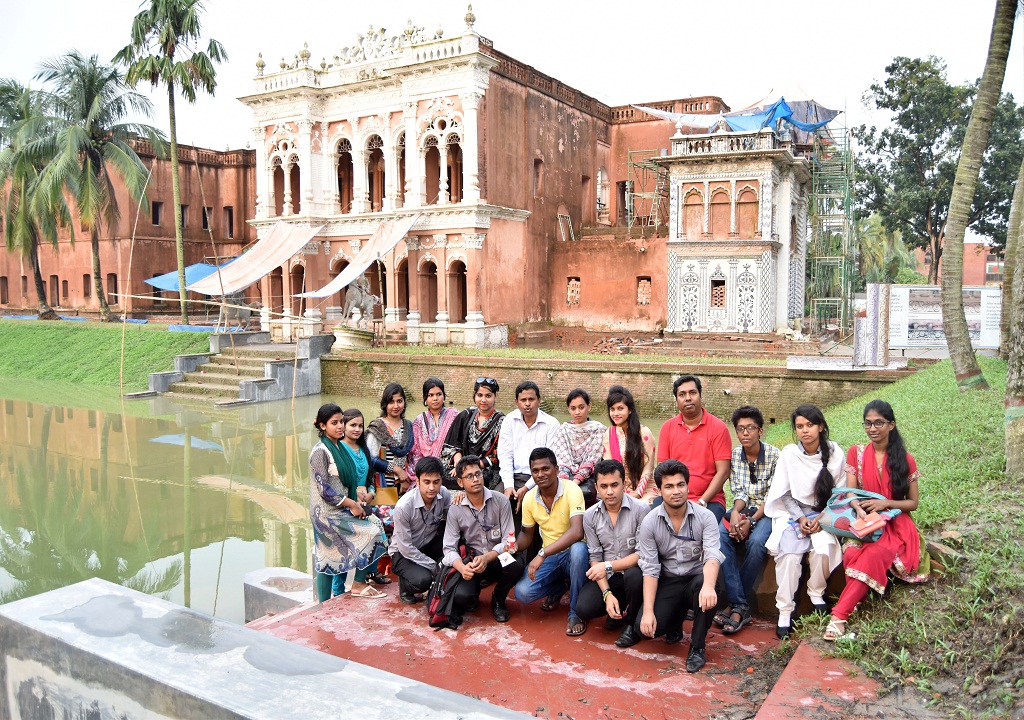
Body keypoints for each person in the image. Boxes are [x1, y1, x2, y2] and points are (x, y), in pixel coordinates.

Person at [825, 400, 928, 641]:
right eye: (868, 424)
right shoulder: (856, 452)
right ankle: (856, 601)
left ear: (891, 425)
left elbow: (913, 503)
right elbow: (850, 493)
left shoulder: (906, 459)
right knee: (851, 554)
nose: (873, 429)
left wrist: (886, 504)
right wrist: (858, 508)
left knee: (874, 554)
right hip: (864, 520)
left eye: (879, 423)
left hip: (895, 521)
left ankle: (838, 618)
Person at [629, 459, 724, 674]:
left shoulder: (706, 517)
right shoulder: (650, 522)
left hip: (696, 579)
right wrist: (649, 612)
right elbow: (651, 568)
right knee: (645, 629)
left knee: (708, 587)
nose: (676, 491)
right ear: (659, 490)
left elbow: (712, 555)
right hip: (668, 579)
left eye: (681, 485)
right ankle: (675, 619)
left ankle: (697, 647)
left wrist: (709, 587)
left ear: (688, 486)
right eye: (669, 486)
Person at [762, 404, 845, 638]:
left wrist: (822, 518)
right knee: (788, 556)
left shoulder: (836, 454)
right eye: (800, 426)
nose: (805, 430)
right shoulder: (790, 454)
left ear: (820, 427)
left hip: (824, 514)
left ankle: (815, 593)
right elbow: (785, 494)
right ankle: (784, 612)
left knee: (824, 548)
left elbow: (839, 493)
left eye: (810, 425)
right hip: (793, 515)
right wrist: (800, 518)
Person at [309, 404, 389, 601]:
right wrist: (352, 504)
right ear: (322, 425)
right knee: (328, 557)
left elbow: (353, 479)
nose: (339, 427)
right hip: (326, 513)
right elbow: (324, 489)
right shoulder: (321, 451)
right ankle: (325, 602)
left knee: (376, 526)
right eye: (334, 423)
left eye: (340, 422)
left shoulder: (339, 447)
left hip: (342, 507)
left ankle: (358, 583)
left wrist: (358, 502)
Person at [715, 406, 781, 635]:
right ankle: (741, 605)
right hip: (744, 509)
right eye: (740, 429)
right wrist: (735, 513)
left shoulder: (775, 455)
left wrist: (751, 521)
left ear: (760, 430)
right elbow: (740, 491)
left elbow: (773, 497)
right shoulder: (735, 455)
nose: (745, 433)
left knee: (756, 544)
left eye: (750, 428)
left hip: (768, 512)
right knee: (721, 536)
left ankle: (736, 605)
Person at [513, 447, 590, 636]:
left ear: (556, 468)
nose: (541, 474)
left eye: (545, 469)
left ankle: (576, 613)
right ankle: (560, 587)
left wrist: (543, 553)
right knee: (522, 593)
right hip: (551, 556)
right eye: (535, 471)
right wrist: (513, 546)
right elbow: (526, 534)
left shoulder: (572, 490)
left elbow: (577, 532)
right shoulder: (530, 498)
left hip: (575, 555)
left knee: (579, 550)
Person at [575, 459, 650, 648]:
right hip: (608, 576)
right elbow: (595, 557)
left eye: (614, 485)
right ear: (596, 488)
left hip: (634, 574)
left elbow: (642, 554)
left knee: (634, 576)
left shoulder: (641, 510)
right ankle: (616, 608)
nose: (609, 491)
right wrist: (607, 593)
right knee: (584, 608)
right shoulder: (590, 515)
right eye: (604, 486)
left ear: (623, 484)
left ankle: (631, 623)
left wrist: (607, 566)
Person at [443, 455, 524, 625]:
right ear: (460, 483)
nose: (475, 479)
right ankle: (473, 592)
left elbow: (510, 543)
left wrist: (488, 557)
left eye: (478, 474)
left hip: (495, 559)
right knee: (462, 598)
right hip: (472, 562)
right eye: (469, 476)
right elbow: (448, 549)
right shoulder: (456, 509)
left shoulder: (500, 500)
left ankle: (498, 598)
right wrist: (462, 567)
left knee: (516, 563)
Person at [657, 375, 732, 522]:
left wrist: (702, 502)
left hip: (710, 500)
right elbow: (662, 470)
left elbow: (723, 472)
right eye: (682, 395)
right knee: (653, 522)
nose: (688, 398)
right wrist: (673, 498)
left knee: (699, 527)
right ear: (677, 401)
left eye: (692, 393)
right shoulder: (667, 428)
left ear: (700, 395)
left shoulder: (718, 428)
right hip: (674, 497)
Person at [389, 456, 453, 604]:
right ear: (417, 482)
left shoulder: (443, 494)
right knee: (422, 580)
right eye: (426, 482)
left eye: (436, 482)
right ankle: (405, 585)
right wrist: (434, 566)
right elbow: (405, 547)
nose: (432, 488)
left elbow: (453, 519)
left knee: (456, 533)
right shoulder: (403, 506)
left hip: (428, 544)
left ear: (441, 481)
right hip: (403, 552)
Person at [498, 381, 558, 507]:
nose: (527, 404)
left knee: (533, 500)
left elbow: (550, 461)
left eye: (531, 399)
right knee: (497, 500)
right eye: (523, 400)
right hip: (513, 476)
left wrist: (526, 487)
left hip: (541, 478)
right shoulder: (509, 421)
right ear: (516, 402)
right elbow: (505, 455)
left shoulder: (551, 424)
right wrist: (508, 485)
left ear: (539, 400)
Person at [441, 377, 504, 491]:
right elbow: (452, 444)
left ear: (495, 396)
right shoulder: (466, 415)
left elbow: (499, 455)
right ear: (475, 395)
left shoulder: (502, 421)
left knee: (480, 479)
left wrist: (473, 467)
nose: (483, 400)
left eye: (488, 396)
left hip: (485, 469)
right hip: (461, 466)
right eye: (480, 395)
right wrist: (459, 463)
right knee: (443, 477)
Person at [550, 388, 606, 507]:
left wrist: (575, 482)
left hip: (589, 476)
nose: (577, 412)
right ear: (568, 409)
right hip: (565, 476)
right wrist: (565, 481)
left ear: (589, 406)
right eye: (573, 408)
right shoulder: (564, 430)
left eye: (581, 407)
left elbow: (593, 459)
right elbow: (561, 458)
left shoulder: (599, 430)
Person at [603, 385, 657, 501]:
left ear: (630, 409)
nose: (615, 413)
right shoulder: (609, 433)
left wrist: (637, 494)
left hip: (645, 488)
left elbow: (649, 468)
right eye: (612, 409)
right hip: (618, 487)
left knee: (642, 508)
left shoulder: (644, 433)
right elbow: (609, 466)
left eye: (620, 408)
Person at [365, 382, 414, 496]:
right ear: (385, 404)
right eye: (391, 402)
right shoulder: (377, 427)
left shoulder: (408, 426)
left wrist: (405, 478)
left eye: (399, 401)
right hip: (381, 485)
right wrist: (396, 470)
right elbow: (370, 459)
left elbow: (412, 456)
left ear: (404, 403)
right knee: (385, 513)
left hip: (406, 485)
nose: (396, 406)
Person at [409, 377, 459, 479]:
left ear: (444, 396)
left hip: (449, 469)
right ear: (425, 399)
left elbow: (459, 444)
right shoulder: (419, 421)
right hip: (426, 469)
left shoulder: (454, 416)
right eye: (430, 395)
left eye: (439, 394)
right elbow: (416, 452)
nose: (435, 398)